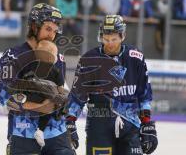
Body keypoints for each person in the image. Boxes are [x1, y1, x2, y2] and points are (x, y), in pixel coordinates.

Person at [67, 15, 158, 155]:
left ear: (123, 36)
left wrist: (146, 123)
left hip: (130, 125)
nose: (109, 43)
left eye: (114, 39)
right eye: (106, 39)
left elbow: (144, 95)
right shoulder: (88, 60)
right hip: (99, 125)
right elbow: (78, 95)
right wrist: (70, 121)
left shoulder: (135, 58)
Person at [0, 3, 75, 155]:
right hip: (23, 133)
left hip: (57, 134)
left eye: (55, 30)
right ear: (34, 27)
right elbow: (4, 100)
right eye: (47, 29)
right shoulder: (13, 56)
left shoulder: (58, 58)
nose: (51, 35)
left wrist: (72, 131)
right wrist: (41, 106)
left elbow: (60, 94)